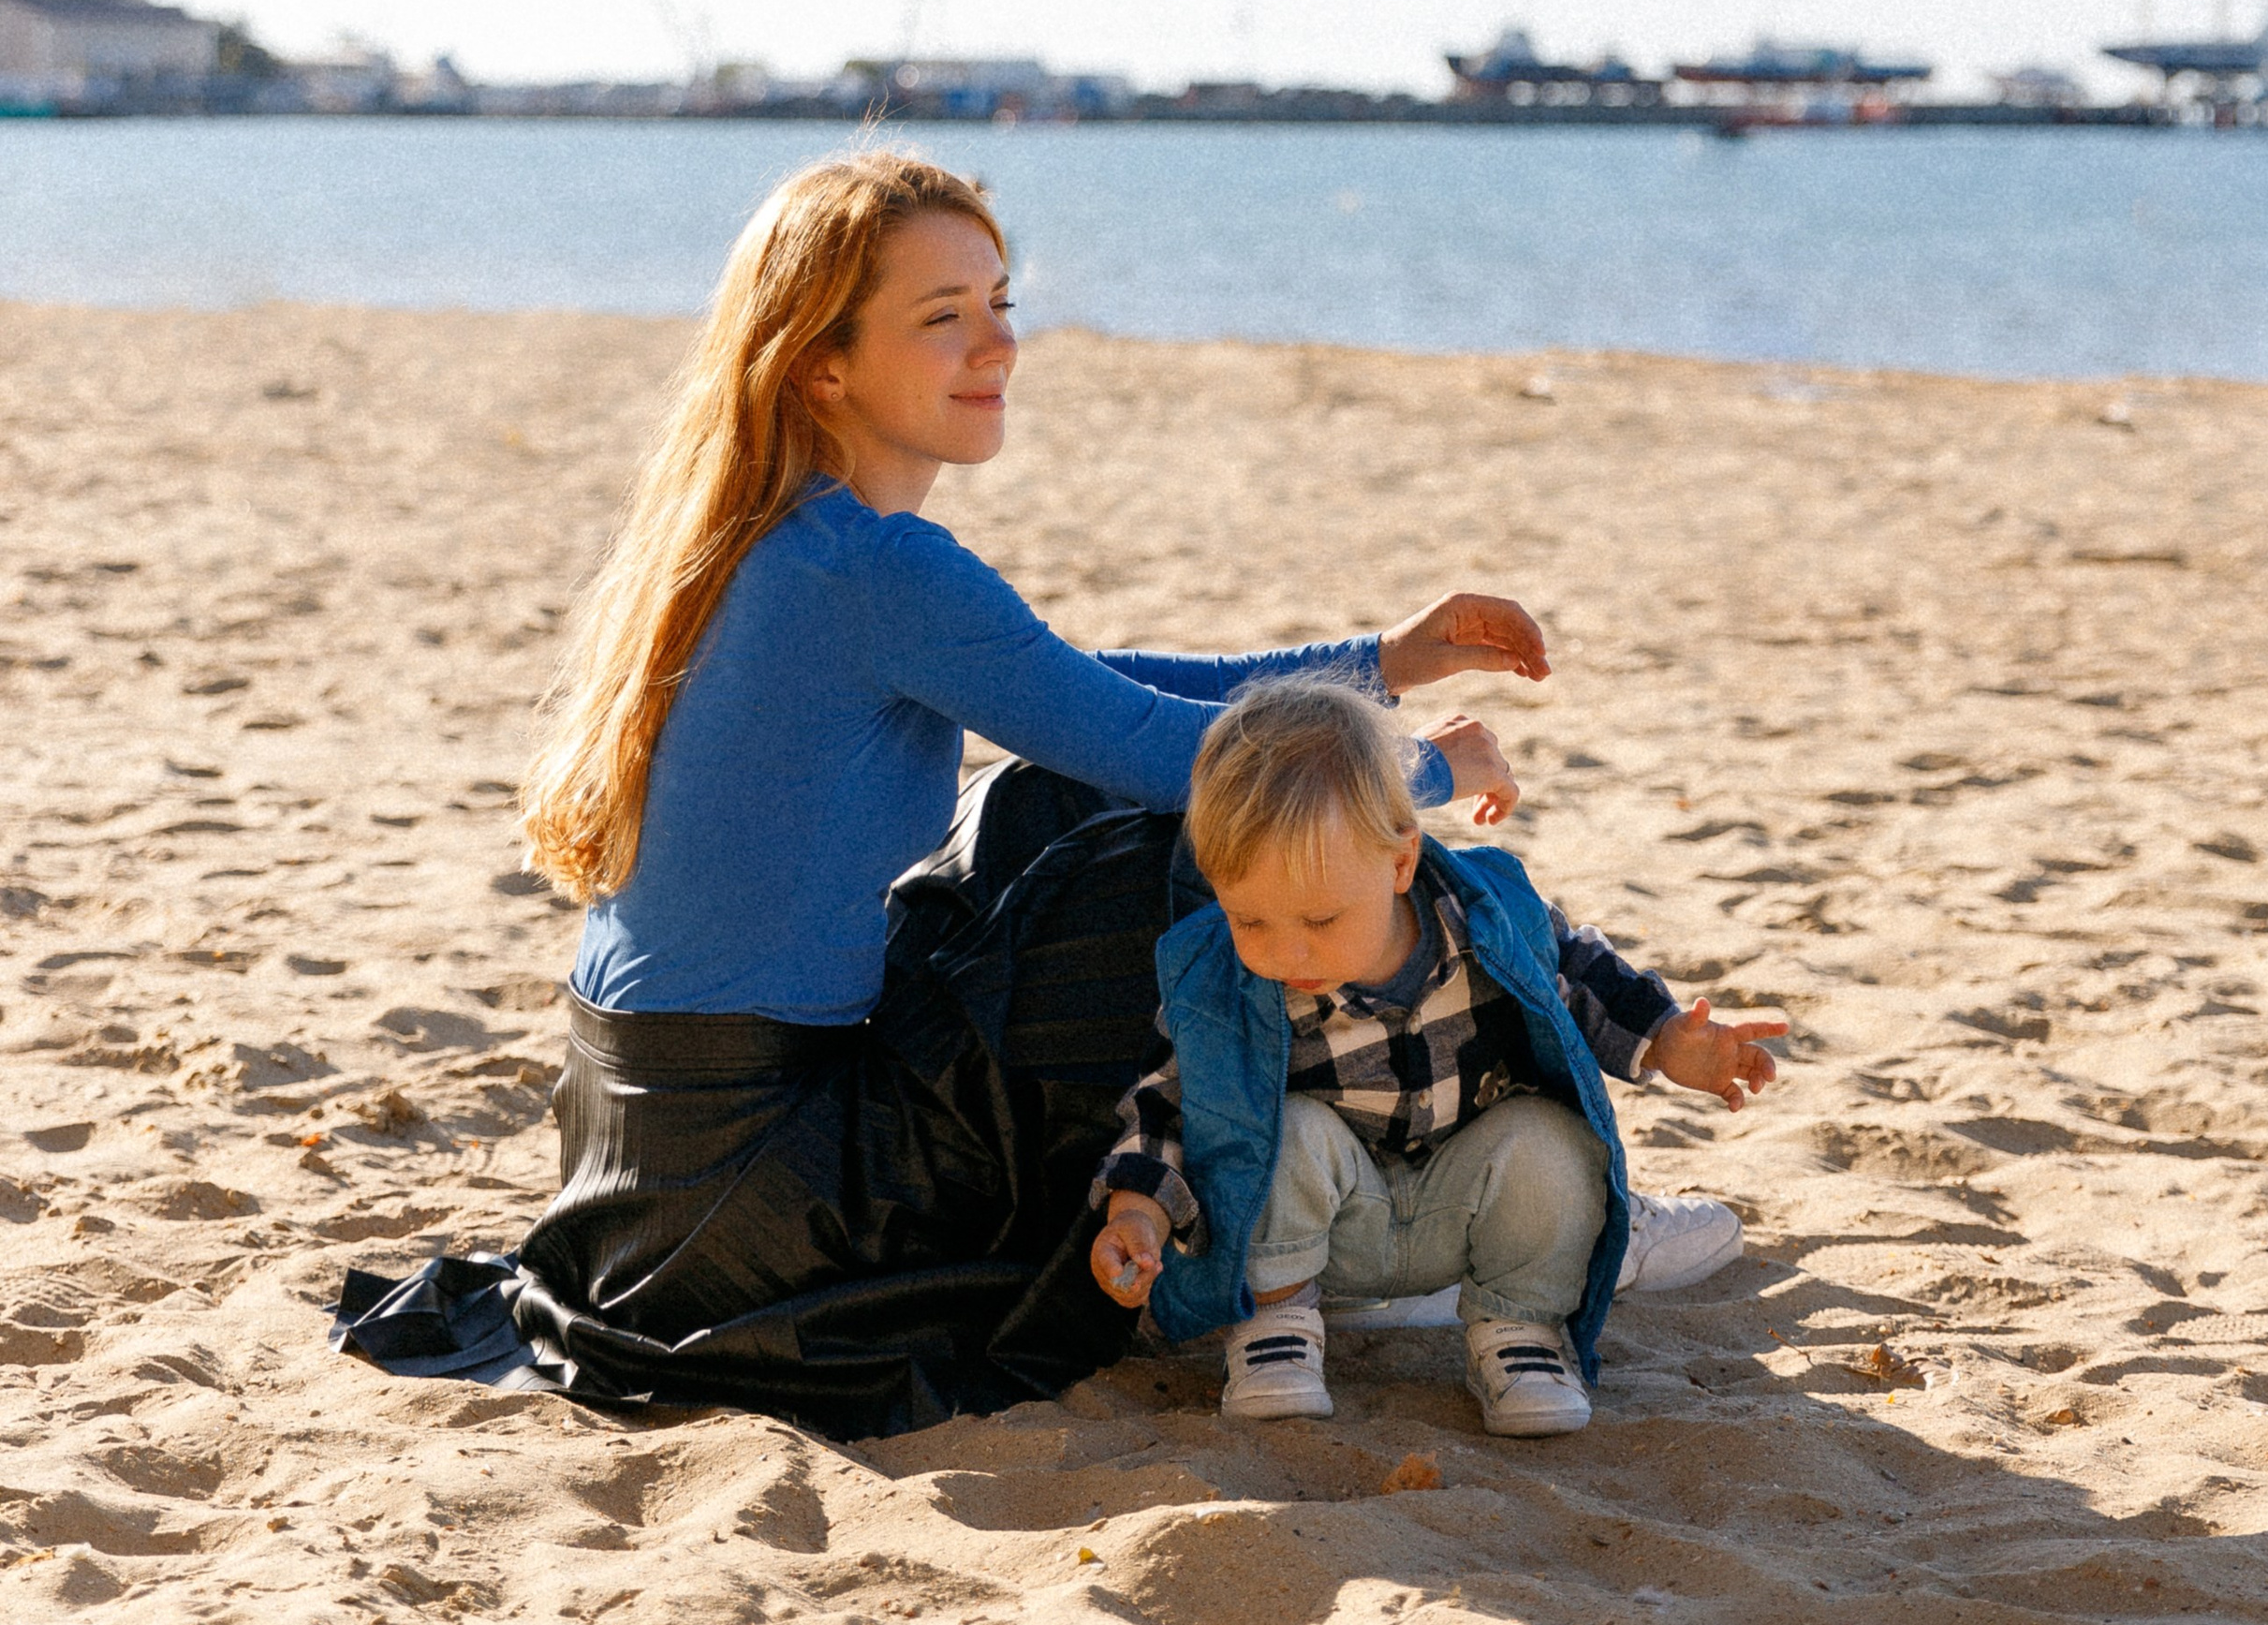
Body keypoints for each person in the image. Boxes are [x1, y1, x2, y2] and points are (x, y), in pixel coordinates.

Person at [482, 150, 1540, 1431]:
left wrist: (1382, 661)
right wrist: (1427, 766)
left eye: (1002, 303)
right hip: (764, 1184)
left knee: (1052, 811)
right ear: (822, 364)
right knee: (1154, 849)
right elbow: (1157, 749)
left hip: (636, 1169)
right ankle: (1460, 1204)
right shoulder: (875, 567)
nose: (998, 345)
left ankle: (1398, 1182)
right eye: (945, 318)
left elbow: (1083, 685)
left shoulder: (787, 537)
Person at [1089, 677, 1788, 1436]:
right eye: (1249, 918)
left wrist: (1668, 1040)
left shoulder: (1484, 922)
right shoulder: (1226, 982)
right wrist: (1137, 1212)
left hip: (1470, 1211)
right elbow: (1168, 1100)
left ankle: (1518, 1332)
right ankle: (1276, 1329)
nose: (1286, 951)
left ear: (1399, 862)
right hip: (1323, 1239)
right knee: (1281, 1132)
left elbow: (1578, 972)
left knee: (1553, 1141)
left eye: (1320, 918)